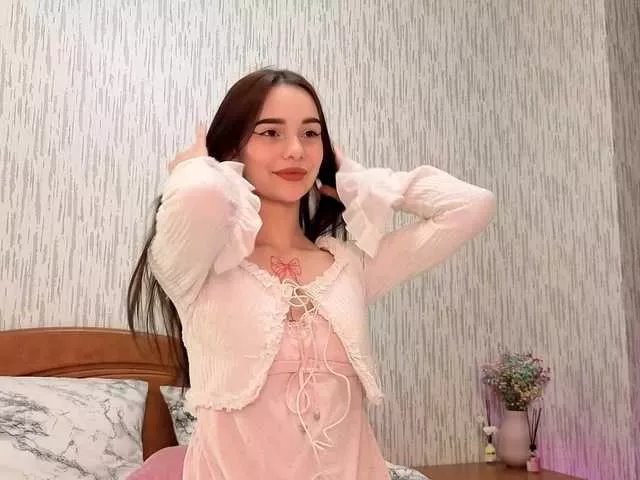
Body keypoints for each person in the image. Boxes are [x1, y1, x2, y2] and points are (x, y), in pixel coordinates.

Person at [127, 68, 496, 480]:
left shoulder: (349, 266)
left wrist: (358, 181)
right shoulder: (200, 267)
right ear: (233, 148)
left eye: (310, 133)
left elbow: (471, 207)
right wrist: (196, 166)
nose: (295, 150)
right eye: (270, 132)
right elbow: (201, 196)